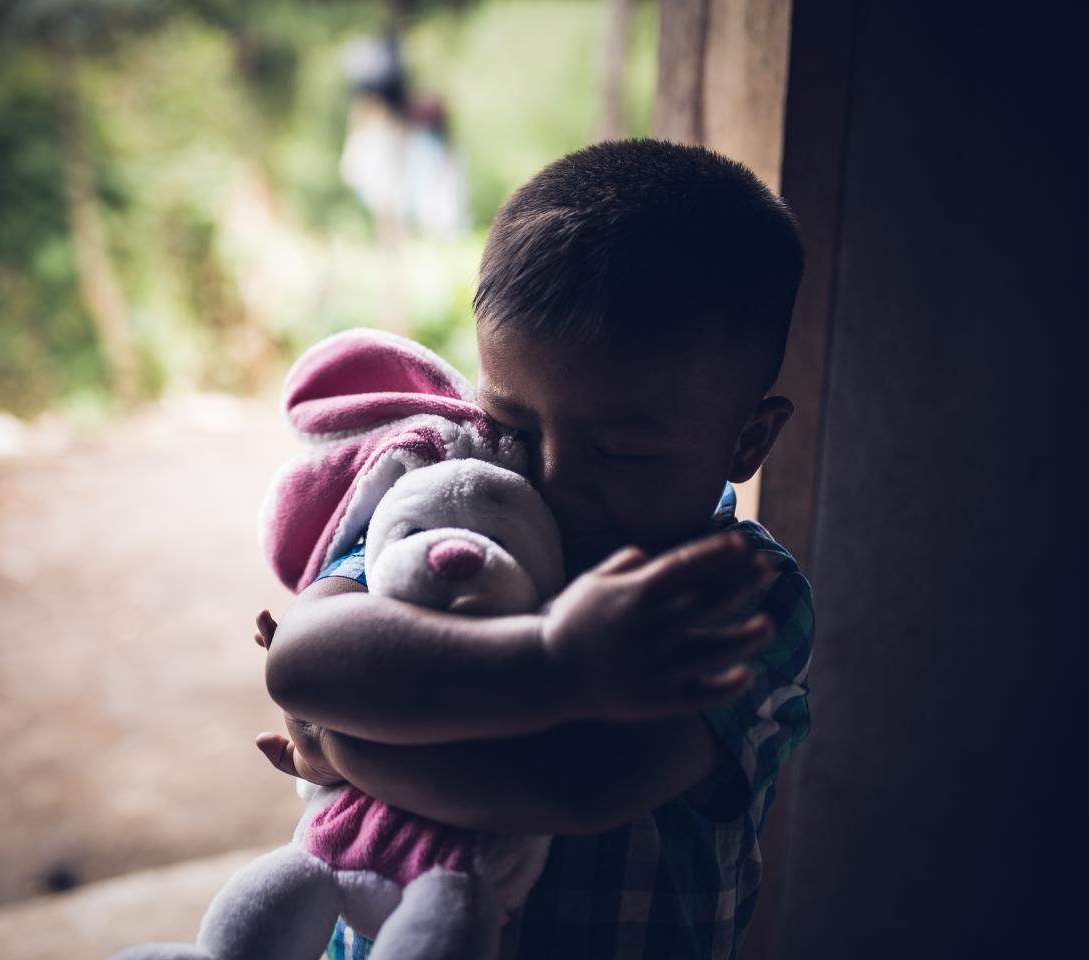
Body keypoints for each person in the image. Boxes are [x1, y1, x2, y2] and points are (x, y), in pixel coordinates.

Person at [255, 139, 813, 959]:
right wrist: (547, 660)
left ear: (746, 440)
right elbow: (302, 661)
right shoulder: (462, 506)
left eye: (623, 450)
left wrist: (342, 740)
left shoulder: (739, 598)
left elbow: (570, 783)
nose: (556, 479)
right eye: (512, 425)